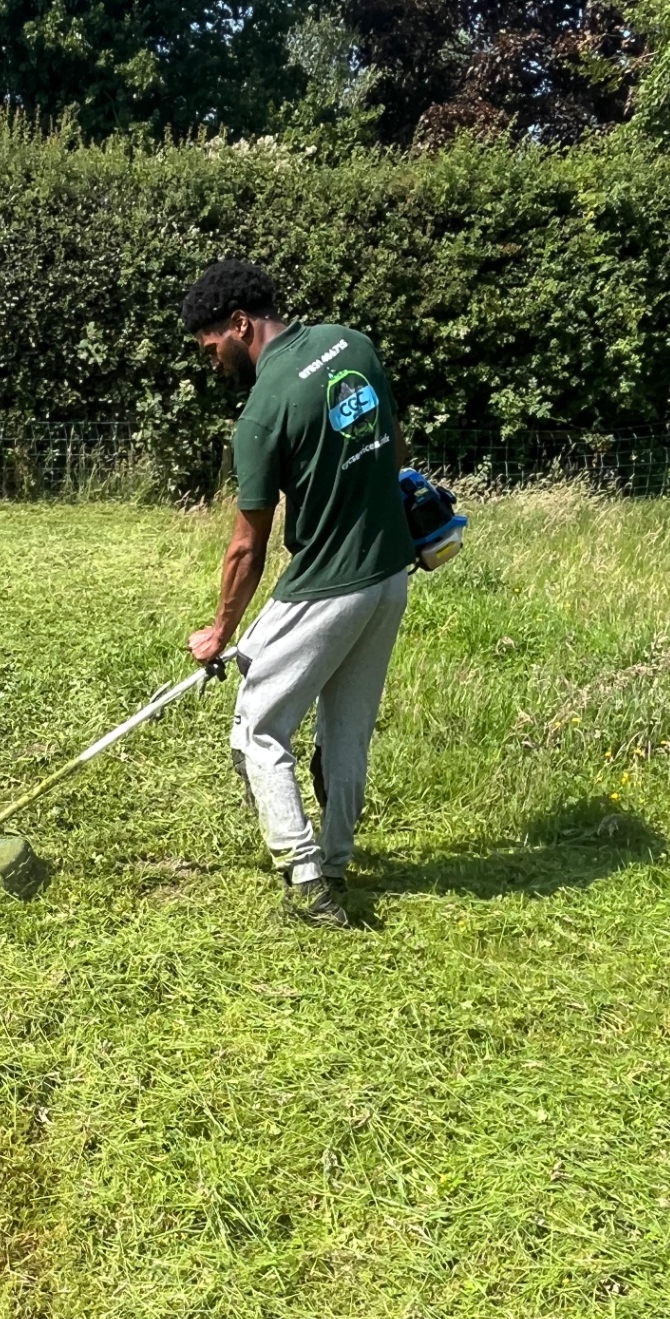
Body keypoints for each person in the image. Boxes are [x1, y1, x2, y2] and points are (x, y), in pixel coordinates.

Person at [181, 258, 415, 930]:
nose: (213, 363)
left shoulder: (260, 414)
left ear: (240, 324)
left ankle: (307, 879)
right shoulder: (354, 344)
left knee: (259, 727)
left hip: (326, 586)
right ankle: (336, 864)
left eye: (211, 349)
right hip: (389, 577)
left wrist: (221, 632)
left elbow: (246, 547)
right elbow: (394, 448)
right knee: (347, 732)